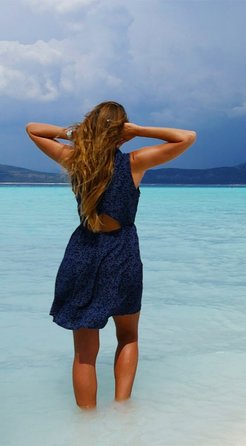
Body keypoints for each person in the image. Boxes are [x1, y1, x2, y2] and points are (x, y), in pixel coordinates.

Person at [26, 101, 197, 409]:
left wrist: (78, 136)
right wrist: (139, 131)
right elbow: (186, 137)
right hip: (122, 252)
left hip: (83, 252)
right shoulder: (134, 162)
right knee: (128, 336)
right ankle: (122, 414)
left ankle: (87, 429)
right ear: (122, 133)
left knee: (84, 352)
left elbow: (33, 130)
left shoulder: (74, 160)